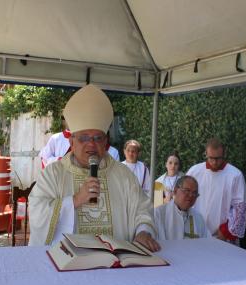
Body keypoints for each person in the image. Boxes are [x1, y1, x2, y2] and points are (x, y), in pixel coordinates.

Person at [28, 84, 160, 252]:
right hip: (69, 264)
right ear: (71, 142)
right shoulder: (54, 174)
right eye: (84, 138)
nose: (91, 144)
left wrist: (143, 232)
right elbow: (37, 211)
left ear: (105, 142)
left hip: (116, 265)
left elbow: (142, 208)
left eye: (98, 138)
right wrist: (75, 200)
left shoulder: (123, 175)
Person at [186, 138, 246, 244]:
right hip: (195, 234)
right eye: (211, 158)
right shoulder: (194, 171)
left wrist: (225, 231)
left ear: (224, 154)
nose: (214, 162)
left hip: (222, 237)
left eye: (218, 158)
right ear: (206, 153)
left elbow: (240, 208)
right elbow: (184, 198)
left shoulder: (235, 175)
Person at [40, 117, 119, 168]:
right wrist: (62, 160)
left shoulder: (111, 151)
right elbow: (45, 159)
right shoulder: (56, 138)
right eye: (66, 118)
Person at [154, 176, 211, 240]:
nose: (191, 195)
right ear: (175, 191)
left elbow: (207, 242)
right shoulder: (159, 214)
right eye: (187, 191)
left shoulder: (198, 218)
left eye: (194, 193)